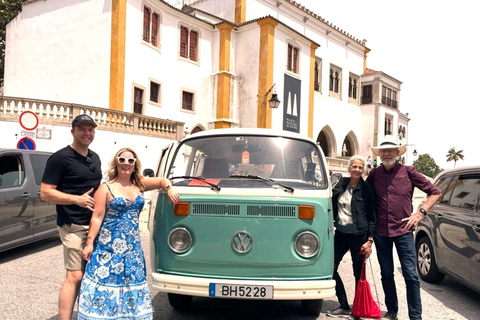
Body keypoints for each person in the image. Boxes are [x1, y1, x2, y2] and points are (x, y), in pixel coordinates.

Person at [78, 147, 180, 320]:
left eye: (130, 161)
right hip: (108, 249)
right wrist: (89, 244)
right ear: (116, 163)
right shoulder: (106, 188)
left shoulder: (139, 184)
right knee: (106, 285)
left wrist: (169, 188)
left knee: (130, 285)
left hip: (132, 250)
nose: (126, 164)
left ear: (135, 165)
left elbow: (163, 180)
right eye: (122, 160)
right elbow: (97, 217)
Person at [366, 136, 441, 320]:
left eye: (390, 150)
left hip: (404, 231)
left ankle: (415, 317)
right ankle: (392, 310)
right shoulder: (374, 174)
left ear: (397, 153)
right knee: (386, 274)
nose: (386, 154)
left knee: (411, 276)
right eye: (383, 151)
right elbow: (364, 197)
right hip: (381, 232)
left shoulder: (408, 171)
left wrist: (420, 213)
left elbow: (435, 192)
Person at [40, 114, 102, 320]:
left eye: (90, 129)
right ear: (72, 131)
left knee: (91, 276)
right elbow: (46, 192)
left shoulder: (95, 158)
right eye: (82, 129)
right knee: (75, 275)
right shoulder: (59, 158)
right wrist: (77, 199)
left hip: (94, 225)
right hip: (73, 225)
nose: (87, 133)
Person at [326, 155, 377, 318]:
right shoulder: (341, 184)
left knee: (359, 274)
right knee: (330, 268)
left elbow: (372, 216)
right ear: (349, 168)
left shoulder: (367, 188)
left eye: (360, 167)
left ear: (364, 170)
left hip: (359, 236)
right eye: (354, 167)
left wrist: (370, 240)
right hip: (340, 233)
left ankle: (357, 310)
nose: (357, 170)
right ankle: (344, 305)